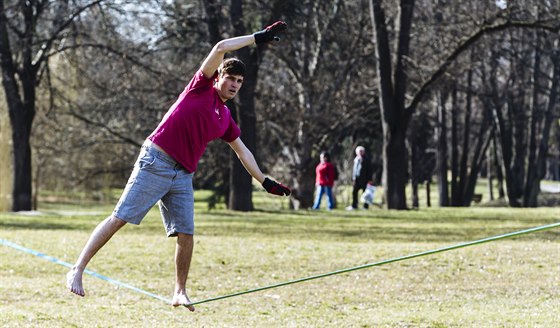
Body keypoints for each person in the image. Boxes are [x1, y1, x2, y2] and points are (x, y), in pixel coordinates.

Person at [66, 21, 291, 312]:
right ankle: (77, 269)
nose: (234, 85)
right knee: (119, 217)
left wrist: (263, 180)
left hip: (182, 175)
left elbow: (242, 150)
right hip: (155, 161)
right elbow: (220, 48)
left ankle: (179, 292)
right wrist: (257, 38)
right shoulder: (199, 89)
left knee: (186, 235)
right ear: (218, 76)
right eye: (230, 78)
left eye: (239, 82)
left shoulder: (224, 117)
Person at [346, 146, 372, 210]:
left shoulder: (366, 160)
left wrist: (370, 180)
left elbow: (370, 170)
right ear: (356, 152)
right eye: (359, 151)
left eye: (361, 151)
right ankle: (354, 205)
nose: (360, 153)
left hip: (364, 179)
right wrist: (353, 178)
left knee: (365, 193)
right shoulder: (356, 159)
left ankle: (365, 207)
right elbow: (354, 170)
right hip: (356, 179)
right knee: (354, 192)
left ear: (363, 152)